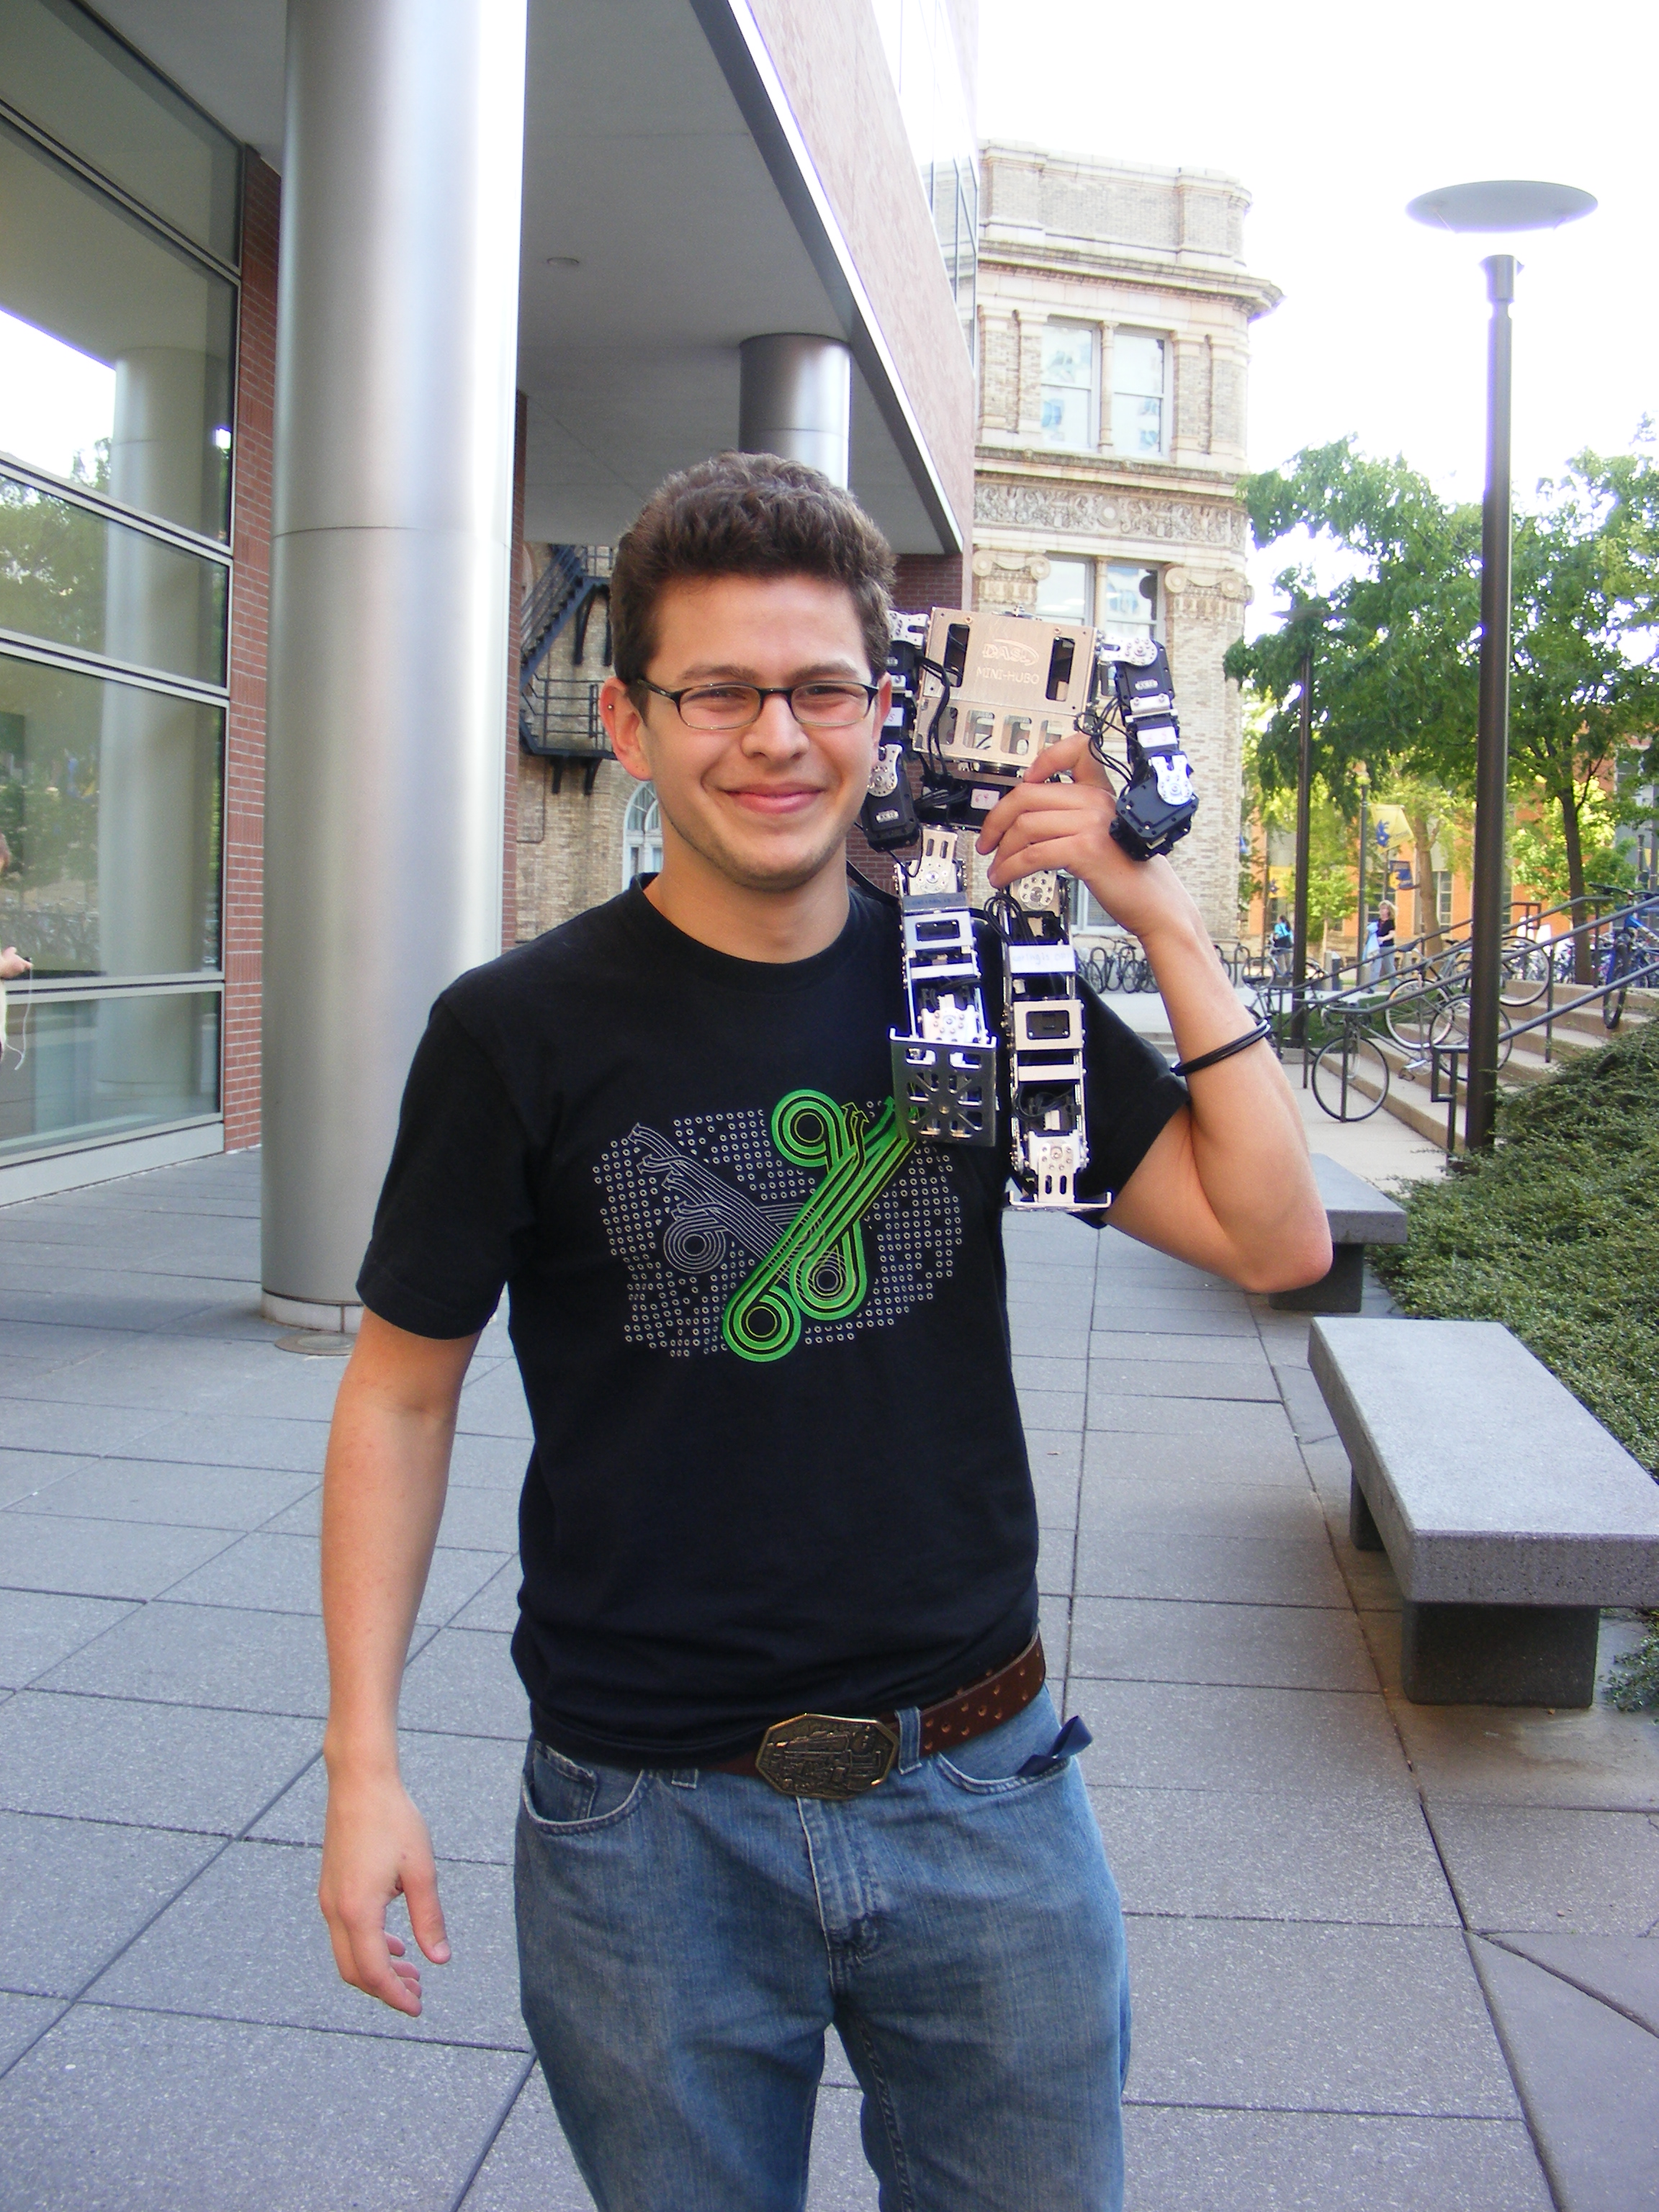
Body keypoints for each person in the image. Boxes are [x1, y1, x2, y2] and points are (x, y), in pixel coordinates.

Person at [317, 454, 1331, 2212]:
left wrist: (1156, 913)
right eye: (717, 691)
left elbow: (1274, 1236)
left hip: (981, 1787)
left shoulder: (978, 983)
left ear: (884, 714)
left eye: (822, 690)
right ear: (630, 724)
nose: (774, 738)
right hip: (646, 1823)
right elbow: (399, 1398)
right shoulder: (513, 1032)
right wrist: (363, 1761)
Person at [1374, 897, 1396, 980]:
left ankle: (1394, 986)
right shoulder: (1377, 921)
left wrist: (1383, 939)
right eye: (1381, 909)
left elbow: (1392, 934)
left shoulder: (1390, 922)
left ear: (1389, 910)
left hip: (1388, 947)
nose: (1382, 911)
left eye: (1385, 909)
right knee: (1375, 968)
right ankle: (1372, 986)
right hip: (1377, 947)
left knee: (1390, 968)